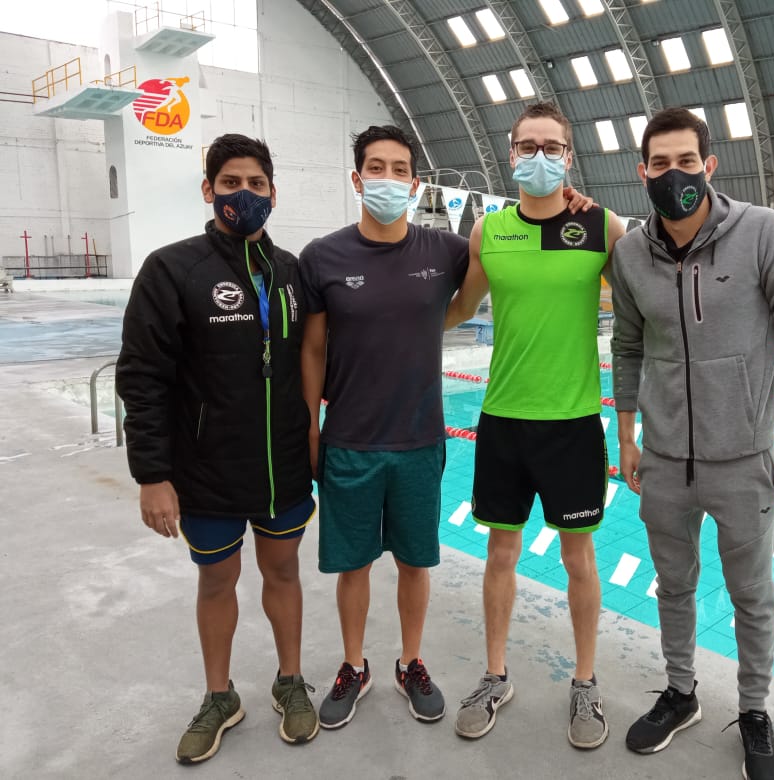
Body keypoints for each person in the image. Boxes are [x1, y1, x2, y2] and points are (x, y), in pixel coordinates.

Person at [298, 124, 595, 731]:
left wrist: (572, 203)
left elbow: (506, 257)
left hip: (420, 438)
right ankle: (353, 666)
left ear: (415, 183)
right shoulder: (323, 257)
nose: (387, 179)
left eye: (399, 169)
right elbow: (311, 348)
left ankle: (411, 663)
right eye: (375, 168)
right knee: (353, 566)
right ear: (357, 178)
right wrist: (310, 427)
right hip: (349, 438)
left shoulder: (446, 250)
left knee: (415, 563)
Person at [609, 107, 774, 780]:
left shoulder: (762, 231)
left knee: (751, 595)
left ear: (708, 166)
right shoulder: (629, 254)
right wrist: (626, 434)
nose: (673, 174)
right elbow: (627, 346)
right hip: (665, 458)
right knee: (673, 586)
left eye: (686, 161)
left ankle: (754, 711)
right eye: (660, 163)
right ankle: (681, 693)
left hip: (743, 459)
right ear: (642, 171)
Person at [116, 134, 319, 764]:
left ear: (273, 193)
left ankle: (290, 681)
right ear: (208, 190)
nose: (244, 194)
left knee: (283, 572)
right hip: (205, 470)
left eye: (256, 184)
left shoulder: (292, 273)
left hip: (282, 464)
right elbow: (142, 377)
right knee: (217, 579)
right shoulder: (173, 269)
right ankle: (218, 696)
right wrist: (152, 475)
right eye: (231, 183)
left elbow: (315, 359)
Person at [446, 102, 627, 749]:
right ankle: (495, 675)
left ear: (569, 156)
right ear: (511, 153)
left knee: (579, 557)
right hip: (502, 418)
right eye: (529, 146)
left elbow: (649, 298)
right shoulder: (488, 232)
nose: (540, 157)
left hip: (573, 421)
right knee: (501, 552)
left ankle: (585, 681)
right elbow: (457, 309)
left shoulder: (603, 227)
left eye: (552, 147)